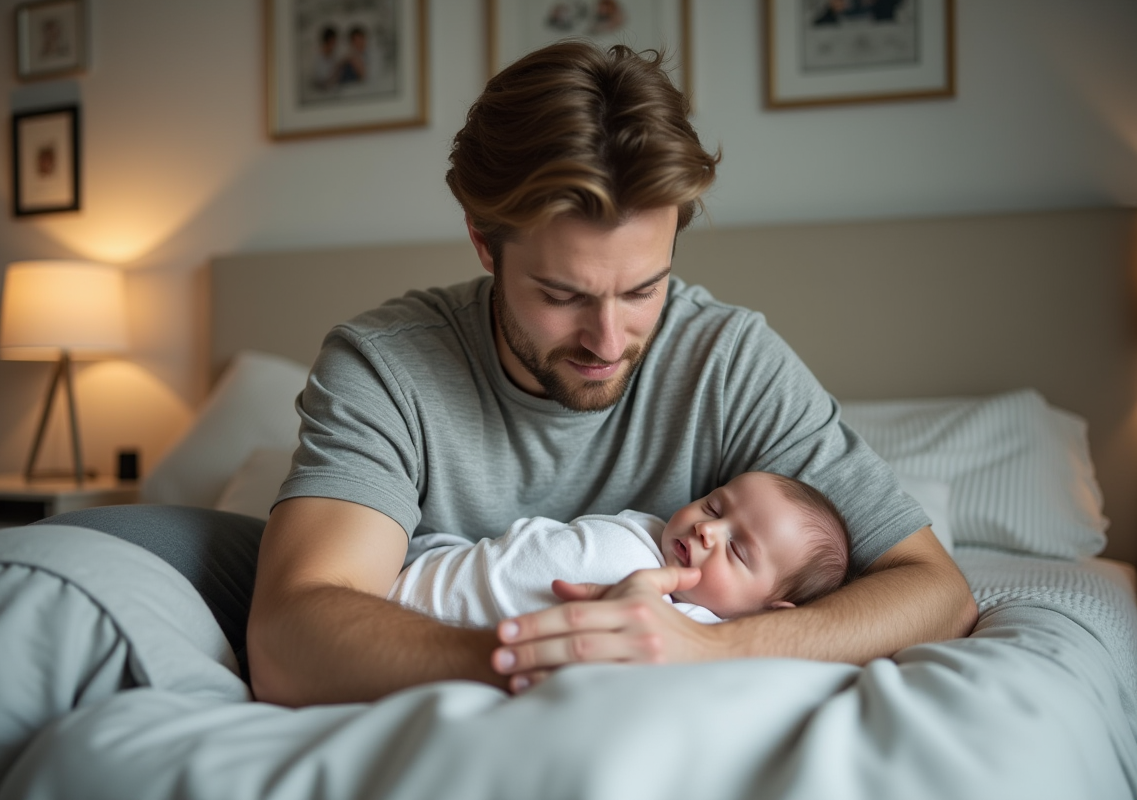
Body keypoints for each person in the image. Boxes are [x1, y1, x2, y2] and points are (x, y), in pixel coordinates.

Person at [247, 40, 978, 706]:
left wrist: (705, 648)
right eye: (562, 295)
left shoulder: (726, 361)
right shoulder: (385, 367)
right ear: (483, 242)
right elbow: (289, 638)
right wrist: (560, 656)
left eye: (642, 290)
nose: (608, 339)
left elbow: (936, 593)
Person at [389, 471, 851, 628]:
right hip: (412, 580)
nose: (709, 531)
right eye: (713, 506)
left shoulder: (695, 625)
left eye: (739, 551)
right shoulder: (643, 530)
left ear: (771, 614)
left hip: (420, 613)